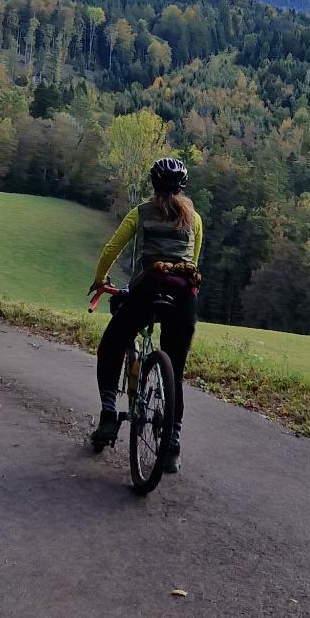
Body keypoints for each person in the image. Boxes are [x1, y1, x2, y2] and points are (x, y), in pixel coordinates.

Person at [87, 155, 202, 471]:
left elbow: (112, 248)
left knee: (112, 343)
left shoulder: (140, 214)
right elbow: (194, 257)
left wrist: (100, 280)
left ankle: (109, 414)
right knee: (174, 369)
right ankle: (172, 446)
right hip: (184, 294)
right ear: (182, 187)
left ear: (153, 184)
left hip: (149, 287)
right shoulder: (195, 218)